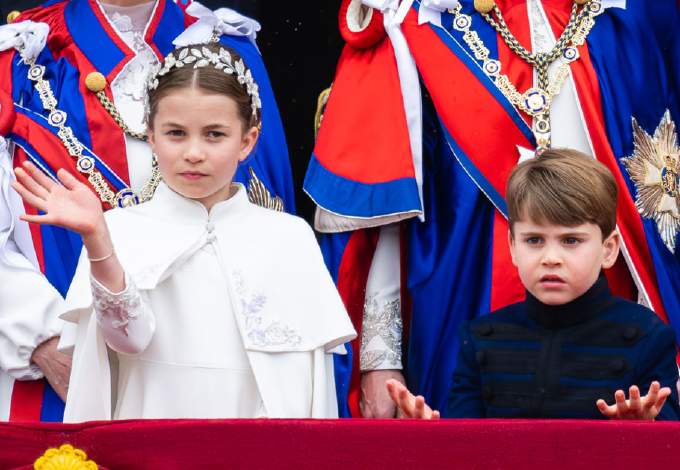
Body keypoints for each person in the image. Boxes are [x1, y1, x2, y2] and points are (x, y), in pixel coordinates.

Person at [304, 0, 680, 418]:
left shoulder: (629, 14)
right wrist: (380, 358)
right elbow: (388, 204)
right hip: (460, 299)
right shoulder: (421, 17)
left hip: (614, 316)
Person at [12, 43, 356, 421]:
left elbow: (310, 387)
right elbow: (127, 338)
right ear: (152, 136)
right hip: (153, 445)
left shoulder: (290, 238)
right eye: (176, 133)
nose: (194, 152)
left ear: (248, 141)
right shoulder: (121, 230)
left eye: (214, 135)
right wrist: (98, 239)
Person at [386, 149, 680, 420]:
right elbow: (464, 445)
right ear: (514, 247)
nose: (551, 258)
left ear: (608, 249)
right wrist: (431, 439)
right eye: (534, 240)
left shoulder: (649, 337)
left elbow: (670, 446)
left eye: (571, 240)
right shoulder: (480, 338)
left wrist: (646, 431)